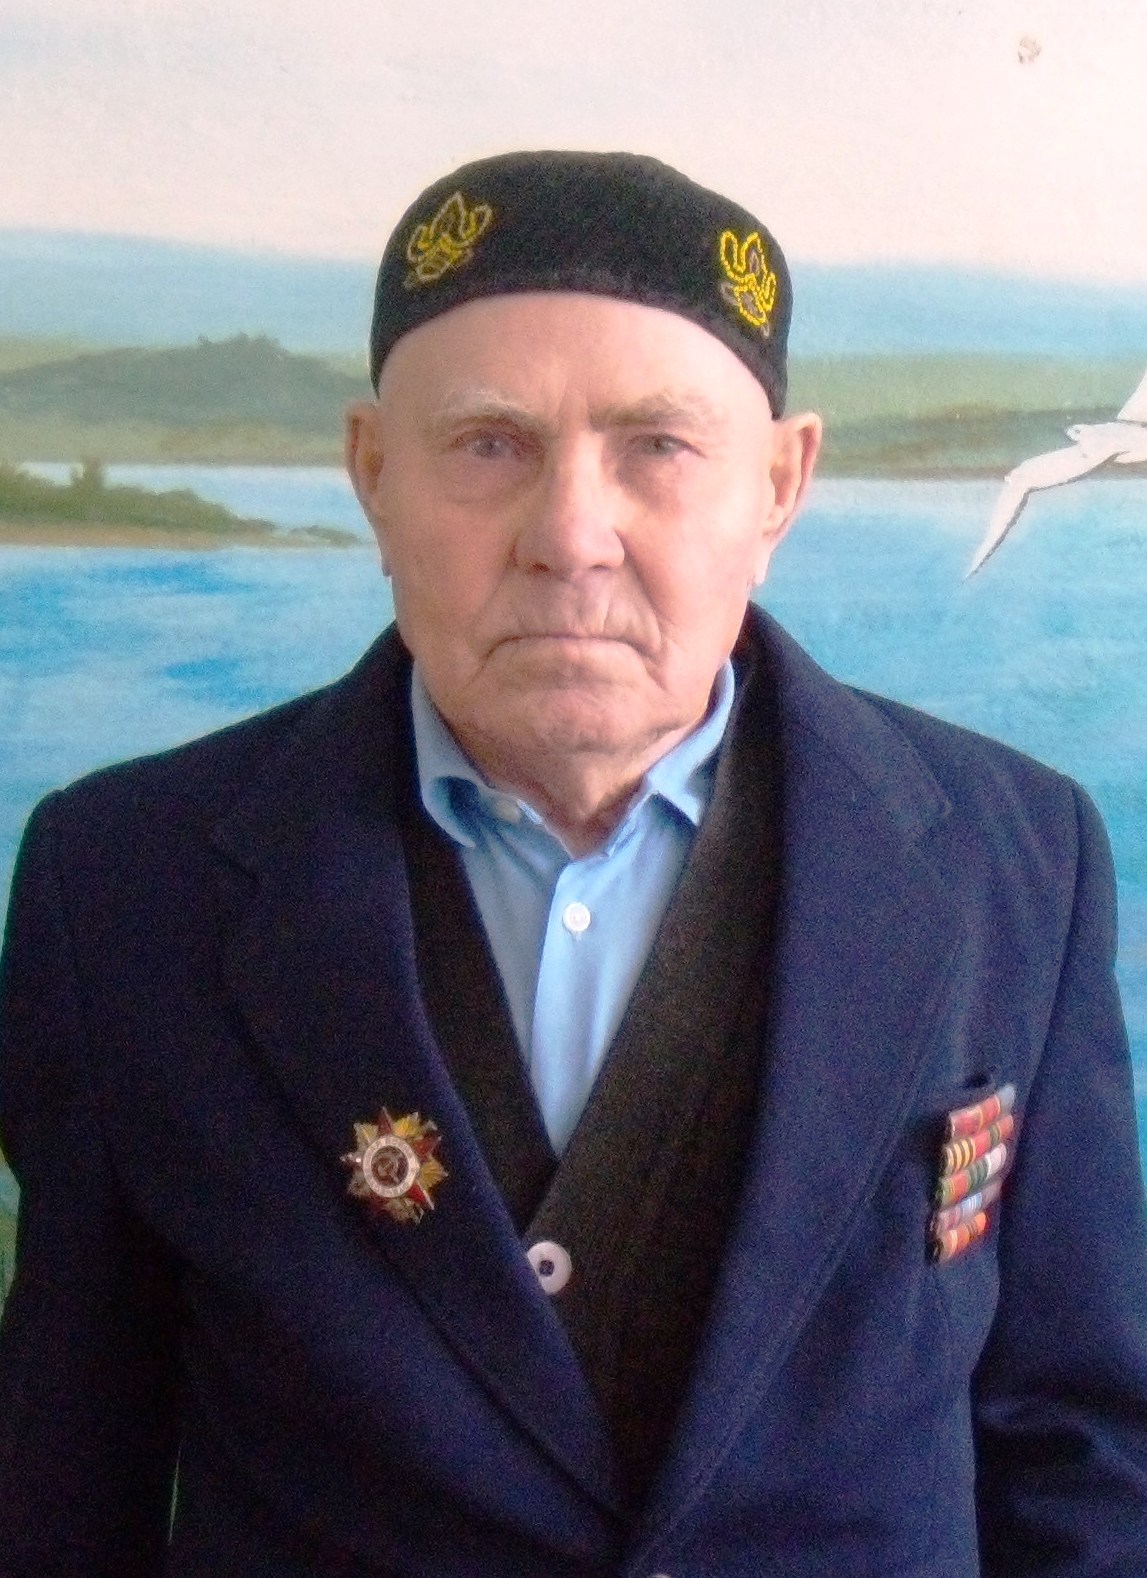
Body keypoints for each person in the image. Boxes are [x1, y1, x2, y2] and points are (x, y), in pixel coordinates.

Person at [1, 150, 1146, 1578]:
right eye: (490, 444)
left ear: (780, 485)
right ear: (372, 472)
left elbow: (1082, 1451)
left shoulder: (1015, 862)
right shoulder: (121, 886)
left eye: (657, 446)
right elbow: (62, 1479)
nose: (568, 537)